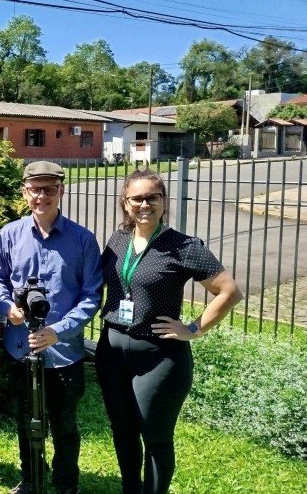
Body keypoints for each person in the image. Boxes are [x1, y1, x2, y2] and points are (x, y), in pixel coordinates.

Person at [96, 169, 242, 494]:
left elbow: (229, 291)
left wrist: (193, 328)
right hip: (112, 352)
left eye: (153, 197)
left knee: (155, 437)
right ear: (125, 202)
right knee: (122, 430)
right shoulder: (118, 240)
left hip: (159, 357)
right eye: (137, 198)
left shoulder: (183, 246)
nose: (144, 204)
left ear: (164, 201)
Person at [0, 161, 103, 494]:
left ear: (61, 191)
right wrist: (7, 307)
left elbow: (91, 296)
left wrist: (59, 330)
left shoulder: (83, 240)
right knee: (25, 421)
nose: (41, 196)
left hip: (63, 352)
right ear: (25, 193)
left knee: (64, 423)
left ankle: (66, 482)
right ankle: (30, 477)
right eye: (34, 189)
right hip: (21, 348)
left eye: (49, 189)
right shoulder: (10, 234)